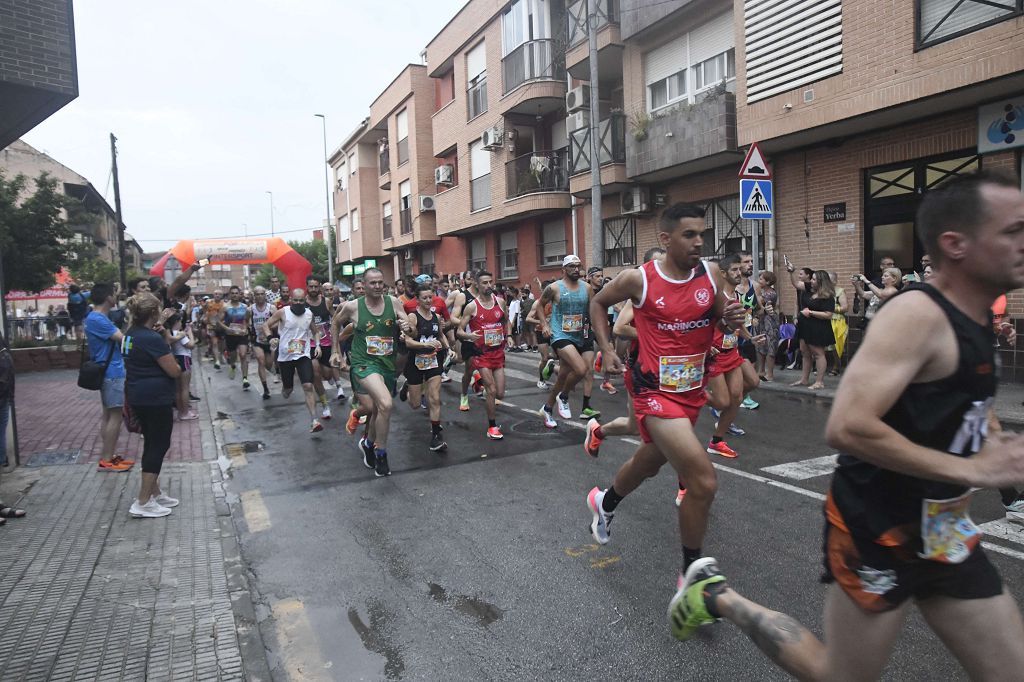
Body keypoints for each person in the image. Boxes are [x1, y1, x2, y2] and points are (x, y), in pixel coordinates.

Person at [669, 171, 1024, 679]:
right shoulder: (917, 316)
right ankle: (718, 596)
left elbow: (962, 402)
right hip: (875, 528)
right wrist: (980, 471)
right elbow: (848, 426)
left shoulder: (979, 316)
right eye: (1012, 231)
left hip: (944, 527)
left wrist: (995, 444)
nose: (1023, 242)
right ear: (956, 244)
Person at [584, 203, 745, 605]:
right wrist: (606, 348)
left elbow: (722, 321)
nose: (699, 242)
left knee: (651, 462)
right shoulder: (638, 279)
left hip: (691, 391)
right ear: (665, 239)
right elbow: (598, 304)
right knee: (703, 480)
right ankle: (691, 572)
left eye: (701, 234)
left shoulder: (711, 275)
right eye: (689, 234)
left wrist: (732, 319)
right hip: (652, 392)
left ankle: (605, 502)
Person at [583, 246, 666, 458]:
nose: (662, 269)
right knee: (657, 430)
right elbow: (619, 328)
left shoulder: (673, 292)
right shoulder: (639, 294)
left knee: (635, 426)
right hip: (642, 367)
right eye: (657, 264)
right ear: (646, 266)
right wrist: (654, 336)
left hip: (669, 369)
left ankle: (598, 431)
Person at [332, 268, 402, 477]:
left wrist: (408, 327)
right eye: (373, 283)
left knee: (377, 409)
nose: (378, 286)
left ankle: (368, 443)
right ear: (364, 285)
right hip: (364, 363)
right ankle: (381, 453)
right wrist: (336, 351)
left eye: (381, 282)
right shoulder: (352, 307)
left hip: (387, 364)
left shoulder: (394, 302)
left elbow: (410, 326)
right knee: (386, 403)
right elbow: (335, 323)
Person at [123, 294, 182, 518]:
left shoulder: (131, 334)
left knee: (151, 444)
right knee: (158, 446)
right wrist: (164, 339)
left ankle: (154, 492)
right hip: (155, 398)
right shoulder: (151, 339)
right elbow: (174, 370)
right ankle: (143, 501)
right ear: (153, 313)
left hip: (138, 394)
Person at [704, 255, 764, 458]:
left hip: (732, 352)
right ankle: (693, 395)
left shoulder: (736, 296)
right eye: (735, 270)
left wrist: (750, 338)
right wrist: (704, 346)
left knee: (739, 395)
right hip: (714, 354)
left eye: (741, 269)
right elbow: (702, 324)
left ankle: (716, 440)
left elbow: (737, 323)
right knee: (723, 401)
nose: (740, 273)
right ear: (722, 274)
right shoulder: (714, 297)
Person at [538, 255, 599, 427]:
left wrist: (596, 332)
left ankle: (548, 408)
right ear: (563, 270)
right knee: (580, 369)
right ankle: (563, 396)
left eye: (578, 266)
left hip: (581, 334)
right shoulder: (554, 288)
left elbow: (592, 311)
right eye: (571, 266)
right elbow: (539, 305)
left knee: (564, 375)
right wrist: (544, 324)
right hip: (560, 335)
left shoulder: (587, 288)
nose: (575, 269)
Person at [85, 283, 134, 472]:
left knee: (108, 415)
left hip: (109, 372)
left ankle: (109, 456)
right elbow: (125, 342)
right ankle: (106, 459)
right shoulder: (99, 319)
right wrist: (132, 323)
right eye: (115, 294)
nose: (117, 297)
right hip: (112, 373)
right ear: (108, 298)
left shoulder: (95, 318)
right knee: (115, 417)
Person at [263, 289, 324, 433]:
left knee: (308, 386)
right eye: (295, 300)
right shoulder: (283, 312)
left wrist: (318, 346)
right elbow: (266, 325)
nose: (298, 303)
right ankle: (285, 388)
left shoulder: (309, 314)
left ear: (305, 300)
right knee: (288, 390)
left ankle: (314, 420)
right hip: (285, 356)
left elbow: (315, 332)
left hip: (303, 354)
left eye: (301, 300)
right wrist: (270, 338)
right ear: (291, 299)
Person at [457, 271, 509, 440]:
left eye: (490, 282)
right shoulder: (472, 306)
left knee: (500, 394)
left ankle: (478, 385)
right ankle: (492, 426)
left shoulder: (500, 302)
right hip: (482, 354)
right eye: (484, 283)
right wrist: (468, 336)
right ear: (477, 286)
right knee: (491, 390)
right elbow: (459, 330)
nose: (488, 286)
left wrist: (507, 337)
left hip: (498, 353)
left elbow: (505, 320)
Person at [401, 283, 450, 452]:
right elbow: (407, 341)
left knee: (434, 398)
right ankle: (408, 387)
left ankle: (436, 434)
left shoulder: (436, 316)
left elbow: (441, 335)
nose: (429, 300)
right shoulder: (413, 317)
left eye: (431, 297)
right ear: (418, 300)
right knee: (415, 404)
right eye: (425, 298)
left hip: (434, 361)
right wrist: (425, 345)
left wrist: (449, 349)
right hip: (415, 362)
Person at [789, 270, 836, 389]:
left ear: (820, 282)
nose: (811, 281)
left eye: (814, 279)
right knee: (804, 352)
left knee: (818, 353)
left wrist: (811, 312)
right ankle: (804, 379)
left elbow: (828, 314)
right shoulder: (809, 288)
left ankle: (819, 382)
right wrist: (791, 272)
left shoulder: (828, 295)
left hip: (818, 327)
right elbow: (796, 284)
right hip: (805, 325)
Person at [449, 272, 484, 412]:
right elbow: (453, 318)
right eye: (483, 281)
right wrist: (468, 323)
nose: (487, 285)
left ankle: (488, 391)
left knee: (488, 366)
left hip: (484, 338)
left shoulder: (487, 296)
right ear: (475, 282)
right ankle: (464, 395)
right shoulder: (463, 296)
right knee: (469, 367)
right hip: (468, 336)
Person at [305, 275, 337, 418]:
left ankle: (329, 378)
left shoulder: (327, 302)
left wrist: (336, 331)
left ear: (319, 287)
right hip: (310, 344)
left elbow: (335, 318)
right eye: (310, 286)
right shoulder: (302, 303)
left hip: (326, 343)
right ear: (307, 287)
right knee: (315, 372)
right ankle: (324, 404)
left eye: (315, 286)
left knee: (328, 374)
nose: (313, 289)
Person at [734, 252, 762, 409]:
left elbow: (758, 309)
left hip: (749, 331)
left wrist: (763, 312)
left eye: (752, 261)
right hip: (732, 333)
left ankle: (744, 396)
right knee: (735, 366)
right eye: (746, 261)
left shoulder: (755, 286)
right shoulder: (732, 287)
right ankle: (734, 396)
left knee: (751, 363)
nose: (750, 264)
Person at [165, 311, 197, 421]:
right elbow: (191, 345)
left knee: (178, 389)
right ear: (177, 322)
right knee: (185, 388)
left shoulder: (169, 333)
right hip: (184, 358)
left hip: (176, 358)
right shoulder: (179, 334)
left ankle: (180, 411)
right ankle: (185, 412)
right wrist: (191, 334)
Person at [219, 286, 250, 389]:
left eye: (236, 293)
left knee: (243, 354)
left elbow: (246, 320)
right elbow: (218, 321)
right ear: (229, 295)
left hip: (242, 335)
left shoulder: (245, 307)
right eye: (232, 293)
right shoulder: (225, 307)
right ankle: (232, 365)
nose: (235, 295)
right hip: (230, 335)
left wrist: (245, 328)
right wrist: (227, 329)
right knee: (233, 357)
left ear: (239, 294)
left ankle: (245, 378)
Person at [786, 265, 815, 371]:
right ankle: (797, 362)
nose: (799, 276)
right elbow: (797, 303)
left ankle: (814, 366)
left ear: (808, 275)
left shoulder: (811, 287)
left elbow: (796, 283)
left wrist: (791, 272)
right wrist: (795, 316)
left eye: (801, 274)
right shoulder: (800, 289)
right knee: (799, 342)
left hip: (812, 318)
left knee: (812, 345)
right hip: (801, 317)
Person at [249, 286, 276, 400]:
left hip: (269, 340)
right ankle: (265, 389)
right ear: (254, 296)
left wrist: (267, 327)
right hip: (257, 341)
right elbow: (247, 322)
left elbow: (277, 323)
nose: (259, 296)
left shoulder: (272, 308)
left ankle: (272, 372)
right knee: (261, 361)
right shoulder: (250, 309)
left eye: (261, 294)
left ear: (265, 295)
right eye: (257, 294)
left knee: (269, 365)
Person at [754, 270, 779, 382]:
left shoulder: (771, 294)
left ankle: (770, 374)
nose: (759, 281)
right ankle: (761, 371)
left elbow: (759, 301)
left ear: (768, 282)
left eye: (761, 279)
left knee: (770, 347)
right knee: (761, 346)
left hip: (770, 322)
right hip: (761, 321)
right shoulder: (761, 292)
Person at [205, 289, 226, 369]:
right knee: (214, 343)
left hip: (221, 327)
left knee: (222, 343)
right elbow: (205, 312)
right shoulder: (209, 303)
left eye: (219, 294)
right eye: (216, 294)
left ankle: (221, 353)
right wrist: (207, 319)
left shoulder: (225, 304)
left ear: (222, 296)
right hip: (212, 326)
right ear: (213, 295)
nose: (217, 295)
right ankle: (217, 360)